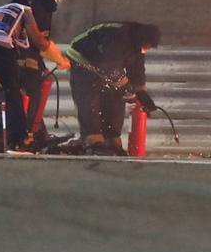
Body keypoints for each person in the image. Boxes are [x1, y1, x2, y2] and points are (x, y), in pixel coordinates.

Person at [0, 0, 70, 152]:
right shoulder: (23, 9)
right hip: (0, 47)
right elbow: (39, 41)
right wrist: (60, 59)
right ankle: (18, 142)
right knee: (13, 94)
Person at [65, 21, 161, 156]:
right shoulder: (118, 36)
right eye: (146, 46)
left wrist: (142, 95)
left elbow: (137, 73)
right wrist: (129, 92)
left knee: (116, 100)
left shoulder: (137, 46)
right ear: (141, 39)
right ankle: (93, 141)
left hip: (103, 64)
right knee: (90, 99)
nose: (147, 49)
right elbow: (111, 68)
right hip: (83, 59)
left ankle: (112, 139)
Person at [11, 0, 72, 149]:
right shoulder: (39, 5)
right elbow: (39, 41)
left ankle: (37, 133)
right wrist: (60, 60)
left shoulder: (29, 0)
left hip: (17, 56)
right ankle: (25, 137)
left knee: (32, 90)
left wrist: (41, 63)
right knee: (34, 94)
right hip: (20, 59)